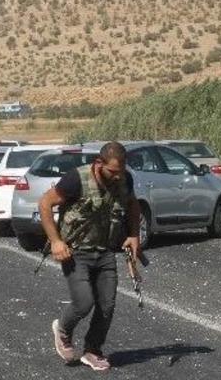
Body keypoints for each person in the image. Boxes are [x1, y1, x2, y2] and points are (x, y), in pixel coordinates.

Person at [38, 141, 141, 372]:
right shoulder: (76, 179)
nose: (117, 176)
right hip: (75, 253)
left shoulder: (125, 179)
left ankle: (93, 350)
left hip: (105, 252)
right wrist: (56, 241)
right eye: (112, 171)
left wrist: (134, 235)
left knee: (107, 305)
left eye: (121, 171)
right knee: (84, 302)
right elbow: (45, 203)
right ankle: (63, 330)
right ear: (99, 163)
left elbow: (133, 205)